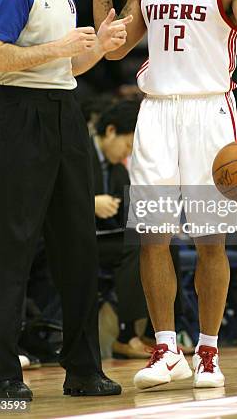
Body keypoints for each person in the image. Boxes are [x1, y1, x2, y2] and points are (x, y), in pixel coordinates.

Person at [82, 0, 237, 388]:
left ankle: (208, 351)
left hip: (210, 112)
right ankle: (167, 348)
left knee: (211, 240)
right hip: (157, 112)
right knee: (153, 237)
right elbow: (115, 47)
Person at [0, 0, 132, 400]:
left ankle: (83, 367)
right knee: (14, 244)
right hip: (22, 114)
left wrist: (97, 47)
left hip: (66, 111)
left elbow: (70, 67)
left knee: (78, 245)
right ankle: (4, 375)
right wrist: (61, 49)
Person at [92, 99, 149, 360]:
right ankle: (126, 335)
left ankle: (160, 330)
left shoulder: (117, 168)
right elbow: (51, 196)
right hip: (73, 239)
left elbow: (130, 211)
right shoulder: (78, 151)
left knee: (159, 239)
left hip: (105, 237)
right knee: (134, 245)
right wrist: (89, 204)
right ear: (111, 131)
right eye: (127, 145)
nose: (127, 154)